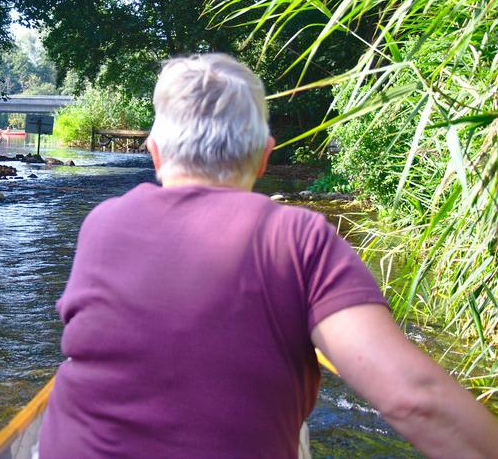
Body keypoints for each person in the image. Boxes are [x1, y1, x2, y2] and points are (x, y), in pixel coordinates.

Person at [37, 53, 498, 458]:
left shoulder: (101, 223)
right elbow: (414, 399)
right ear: (264, 156)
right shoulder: (299, 238)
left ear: (155, 154)